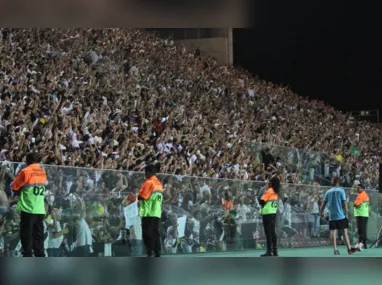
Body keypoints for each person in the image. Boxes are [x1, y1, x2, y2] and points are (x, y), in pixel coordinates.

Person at [11, 152, 47, 257]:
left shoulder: (25, 171)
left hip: (28, 209)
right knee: (38, 238)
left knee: (26, 237)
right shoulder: (42, 172)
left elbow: (15, 187)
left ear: (28, 160)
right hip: (40, 209)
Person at [320, 177, 356, 255]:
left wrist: (320, 213)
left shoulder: (328, 192)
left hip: (332, 216)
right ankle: (349, 249)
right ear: (338, 182)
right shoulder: (341, 191)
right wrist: (346, 214)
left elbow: (323, 204)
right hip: (340, 215)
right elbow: (345, 203)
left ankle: (335, 250)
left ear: (332, 182)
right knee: (345, 232)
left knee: (333, 232)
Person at [137, 163, 163, 257]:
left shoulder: (148, 182)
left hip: (148, 212)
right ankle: (157, 252)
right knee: (155, 233)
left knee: (148, 234)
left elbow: (142, 197)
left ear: (148, 173)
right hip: (156, 212)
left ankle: (150, 252)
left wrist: (136, 196)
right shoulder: (159, 183)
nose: (145, 175)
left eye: (145, 173)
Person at [259, 176, 280, 257]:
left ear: (271, 183)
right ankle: (275, 251)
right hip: (273, 213)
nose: (268, 183)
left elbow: (262, 202)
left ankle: (268, 251)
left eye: (269, 182)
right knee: (273, 232)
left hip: (267, 213)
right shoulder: (276, 192)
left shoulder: (269, 191)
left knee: (268, 233)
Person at [354, 184, 369, 249]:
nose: (357, 189)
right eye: (357, 188)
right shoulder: (365, 194)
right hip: (365, 214)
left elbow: (356, 204)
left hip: (361, 214)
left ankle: (361, 243)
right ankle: (364, 243)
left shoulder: (361, 195)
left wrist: (354, 203)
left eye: (358, 188)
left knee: (361, 230)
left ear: (362, 188)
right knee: (363, 229)